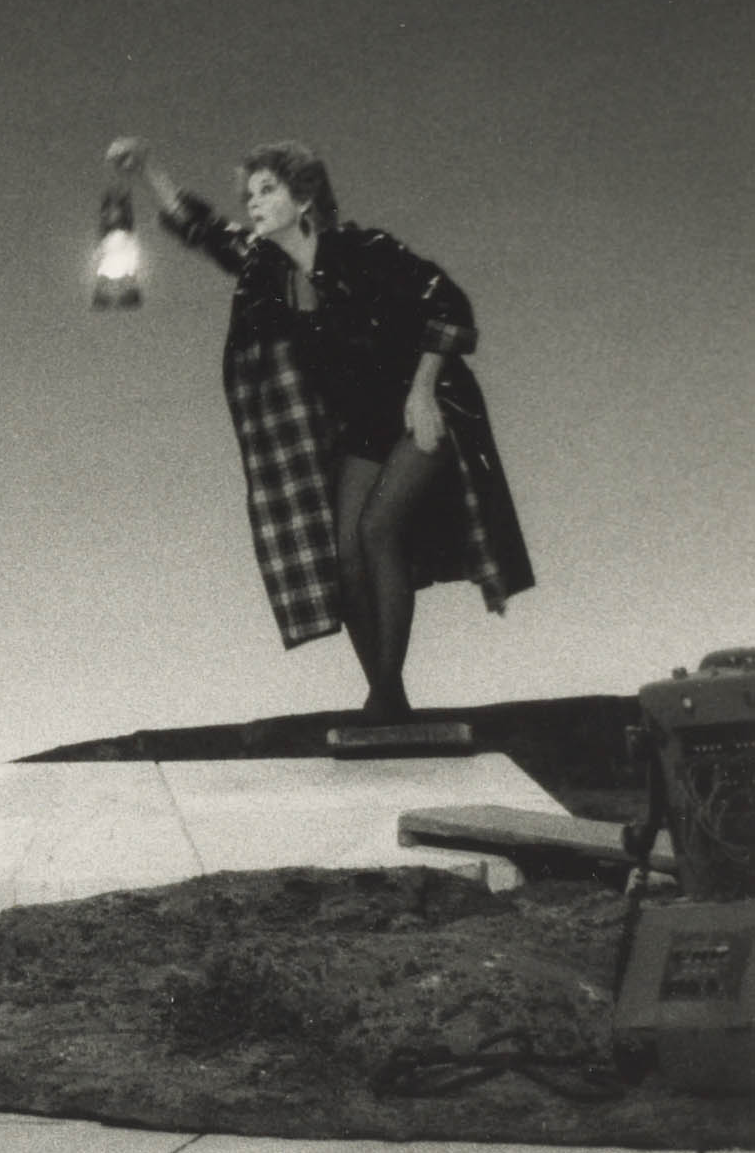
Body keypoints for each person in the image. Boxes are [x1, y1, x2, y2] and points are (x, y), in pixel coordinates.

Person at [106, 137, 532, 723]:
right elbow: (203, 229)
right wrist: (149, 168)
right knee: (343, 555)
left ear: (304, 198)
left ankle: (383, 697)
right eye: (249, 194)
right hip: (361, 427)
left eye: (267, 190)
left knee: (378, 527)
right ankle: (389, 698)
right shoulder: (265, 270)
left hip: (424, 409)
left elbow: (449, 305)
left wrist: (423, 390)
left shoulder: (366, 250)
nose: (253, 203)